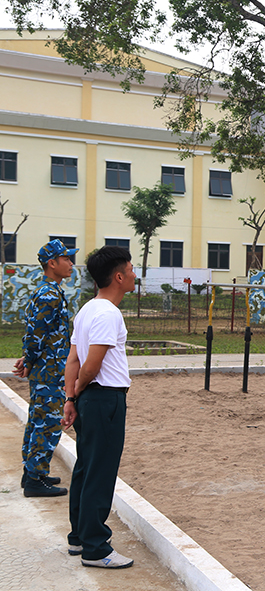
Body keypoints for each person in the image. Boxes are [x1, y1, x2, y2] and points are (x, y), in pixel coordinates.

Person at [62, 246, 137, 568]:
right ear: (119, 277)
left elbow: (73, 359)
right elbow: (90, 365)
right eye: (131, 269)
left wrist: (70, 397)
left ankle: (79, 537)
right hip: (104, 397)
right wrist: (79, 393)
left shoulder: (87, 310)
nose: (135, 274)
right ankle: (96, 547)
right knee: (100, 472)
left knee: (86, 467)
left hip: (89, 397)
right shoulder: (108, 313)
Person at [12, 239, 78, 497]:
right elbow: (36, 333)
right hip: (50, 371)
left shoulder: (50, 291)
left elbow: (37, 334)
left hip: (48, 368)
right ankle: (34, 480)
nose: (71, 264)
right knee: (48, 422)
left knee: (38, 420)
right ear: (53, 263)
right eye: (66, 259)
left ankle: (33, 473)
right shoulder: (49, 294)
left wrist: (28, 358)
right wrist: (28, 359)